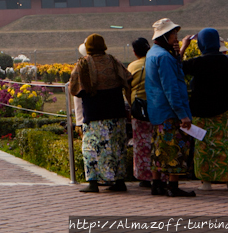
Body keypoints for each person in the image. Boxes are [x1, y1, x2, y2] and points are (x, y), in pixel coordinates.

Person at [70, 34, 132, 193]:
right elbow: (127, 78)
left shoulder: (83, 64)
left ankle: (93, 183)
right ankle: (119, 181)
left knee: (92, 148)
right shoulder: (113, 61)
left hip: (94, 113)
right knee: (117, 147)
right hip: (116, 112)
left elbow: (74, 89)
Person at [182, 28, 228, 191]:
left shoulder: (198, 62)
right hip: (223, 110)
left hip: (200, 111)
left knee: (203, 146)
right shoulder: (227, 60)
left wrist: (184, 47)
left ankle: (206, 182)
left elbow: (177, 68)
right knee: (224, 145)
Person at [145, 18, 196, 197]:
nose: (176, 37)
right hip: (170, 111)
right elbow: (171, 88)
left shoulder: (153, 53)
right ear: (166, 36)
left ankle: (156, 184)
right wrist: (182, 114)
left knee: (159, 148)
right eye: (174, 34)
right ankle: (173, 187)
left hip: (157, 109)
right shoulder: (164, 57)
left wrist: (178, 54)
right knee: (174, 148)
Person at [128, 38, 155, 188]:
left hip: (138, 110)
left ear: (134, 52)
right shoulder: (155, 61)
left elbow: (127, 87)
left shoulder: (133, 66)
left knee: (141, 144)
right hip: (156, 107)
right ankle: (159, 174)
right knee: (155, 142)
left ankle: (144, 177)